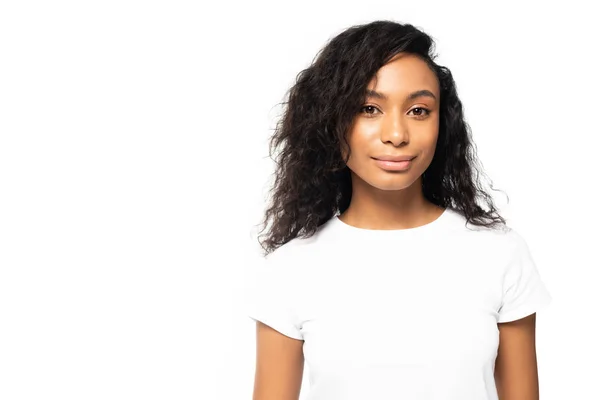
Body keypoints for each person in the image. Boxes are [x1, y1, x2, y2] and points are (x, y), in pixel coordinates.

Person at [244, 20, 552, 400]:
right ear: (331, 121)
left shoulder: (500, 254)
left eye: (419, 110)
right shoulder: (289, 270)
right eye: (369, 108)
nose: (396, 134)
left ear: (443, 123)